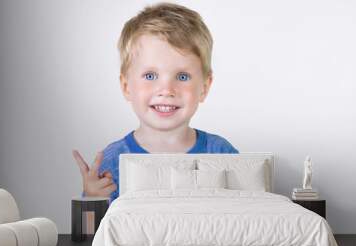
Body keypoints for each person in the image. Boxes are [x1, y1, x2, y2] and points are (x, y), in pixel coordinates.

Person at [72, 2, 239, 205]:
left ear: (204, 87)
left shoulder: (221, 153)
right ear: (126, 86)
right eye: (150, 75)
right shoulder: (113, 162)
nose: (166, 90)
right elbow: (92, 234)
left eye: (183, 76)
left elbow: (246, 222)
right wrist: (92, 200)